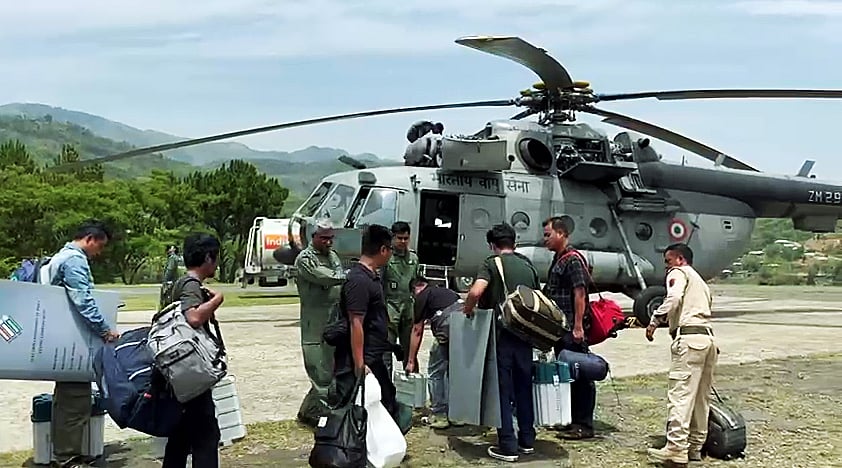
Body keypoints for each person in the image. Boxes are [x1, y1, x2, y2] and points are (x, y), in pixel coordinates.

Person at [41, 219, 119, 468]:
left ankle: (65, 453)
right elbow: (82, 300)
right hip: (72, 341)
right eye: (100, 246)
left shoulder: (61, 255)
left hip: (60, 336)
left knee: (66, 397)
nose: (100, 252)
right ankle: (67, 458)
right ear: (90, 239)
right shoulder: (74, 260)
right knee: (75, 397)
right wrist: (105, 330)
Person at [463, 223, 538, 463]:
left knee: (503, 391)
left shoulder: (491, 263)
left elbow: (476, 292)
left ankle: (508, 444)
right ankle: (527, 440)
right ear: (514, 243)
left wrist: (468, 310)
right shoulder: (528, 265)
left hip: (502, 336)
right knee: (524, 387)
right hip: (526, 335)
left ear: (492, 245)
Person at [646, 243, 718, 465]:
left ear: (679, 259)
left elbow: (674, 298)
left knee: (680, 395)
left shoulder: (678, 273)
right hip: (707, 339)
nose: (666, 267)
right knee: (700, 397)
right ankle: (695, 446)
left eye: (668, 261)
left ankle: (676, 448)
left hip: (688, 340)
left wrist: (655, 319)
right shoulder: (701, 283)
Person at [162, 233, 225, 468]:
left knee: (181, 433)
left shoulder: (177, 283)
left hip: (176, 371)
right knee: (206, 435)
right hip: (189, 370)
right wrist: (217, 299)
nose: (216, 263)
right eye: (215, 257)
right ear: (208, 257)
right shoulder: (190, 285)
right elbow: (194, 317)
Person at [332, 224, 400, 422]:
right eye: (390, 250)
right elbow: (356, 323)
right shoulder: (359, 281)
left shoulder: (372, 277)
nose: (391, 255)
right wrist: (360, 364)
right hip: (360, 359)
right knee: (352, 409)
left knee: (387, 400)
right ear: (383, 250)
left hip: (373, 355)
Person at [542, 216, 596, 440]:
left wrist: (577, 326)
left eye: (548, 235)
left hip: (571, 330)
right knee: (567, 374)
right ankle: (571, 419)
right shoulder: (559, 258)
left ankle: (584, 424)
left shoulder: (572, 259)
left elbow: (579, 293)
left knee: (580, 375)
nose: (545, 239)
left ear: (562, 234)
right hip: (560, 328)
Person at [293, 219, 346, 427]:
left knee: (329, 370)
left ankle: (308, 412)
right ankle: (327, 419)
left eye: (331, 238)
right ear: (313, 236)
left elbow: (337, 274)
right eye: (324, 238)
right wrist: (348, 276)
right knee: (319, 371)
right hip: (313, 325)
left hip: (332, 321)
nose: (328, 242)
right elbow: (326, 277)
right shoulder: (305, 259)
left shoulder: (331, 255)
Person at [404, 276, 462, 429]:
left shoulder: (422, 296)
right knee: (453, 371)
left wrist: (411, 359)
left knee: (435, 372)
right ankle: (456, 414)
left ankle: (439, 415)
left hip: (447, 328)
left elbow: (417, 330)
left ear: (416, 288)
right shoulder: (448, 292)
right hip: (466, 327)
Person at [381, 221, 420, 376]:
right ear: (393, 238)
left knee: (410, 351)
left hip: (407, 311)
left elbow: (415, 284)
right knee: (386, 352)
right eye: (399, 238)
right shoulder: (386, 258)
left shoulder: (413, 259)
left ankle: (411, 384)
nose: (403, 242)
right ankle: (385, 389)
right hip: (389, 311)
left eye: (406, 238)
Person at [159, 245, 181, 310]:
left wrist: (165, 281)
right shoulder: (179, 258)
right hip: (177, 281)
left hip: (171, 282)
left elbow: (170, 270)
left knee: (167, 299)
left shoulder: (172, 258)